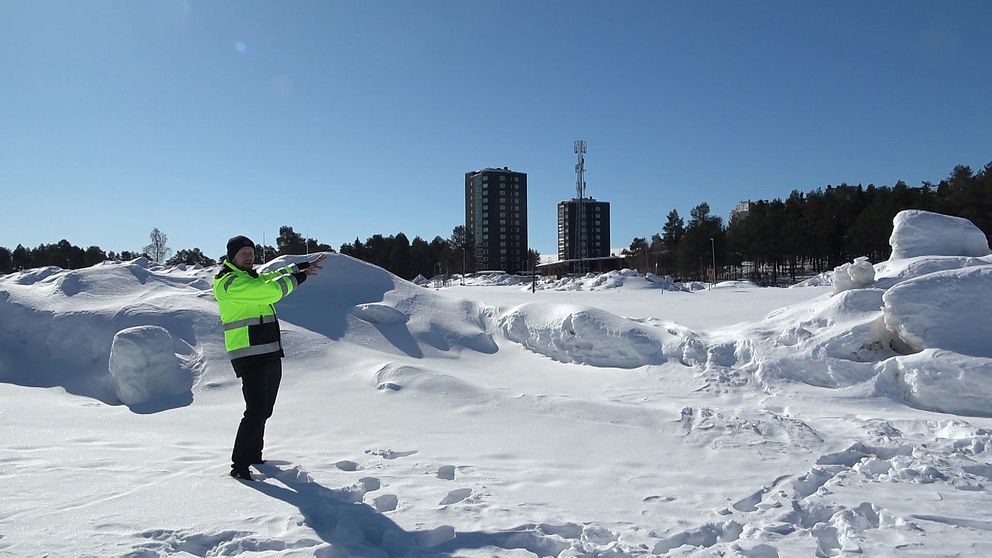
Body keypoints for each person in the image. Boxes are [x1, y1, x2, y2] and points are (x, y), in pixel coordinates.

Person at [213, 235, 326, 480]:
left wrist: (300, 267)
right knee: (255, 410)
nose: (249, 257)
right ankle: (239, 465)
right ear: (232, 256)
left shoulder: (249, 277)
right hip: (248, 353)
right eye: (243, 253)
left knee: (265, 409)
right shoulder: (230, 282)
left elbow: (270, 275)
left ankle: (254, 454)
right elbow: (271, 291)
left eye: (251, 253)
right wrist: (301, 277)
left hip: (269, 350)